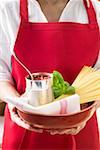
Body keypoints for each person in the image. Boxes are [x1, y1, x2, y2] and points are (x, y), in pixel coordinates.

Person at [0, 0, 100, 149]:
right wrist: (17, 104)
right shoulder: (7, 8)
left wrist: (90, 108)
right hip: (23, 132)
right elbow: (1, 73)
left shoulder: (97, 11)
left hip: (82, 133)